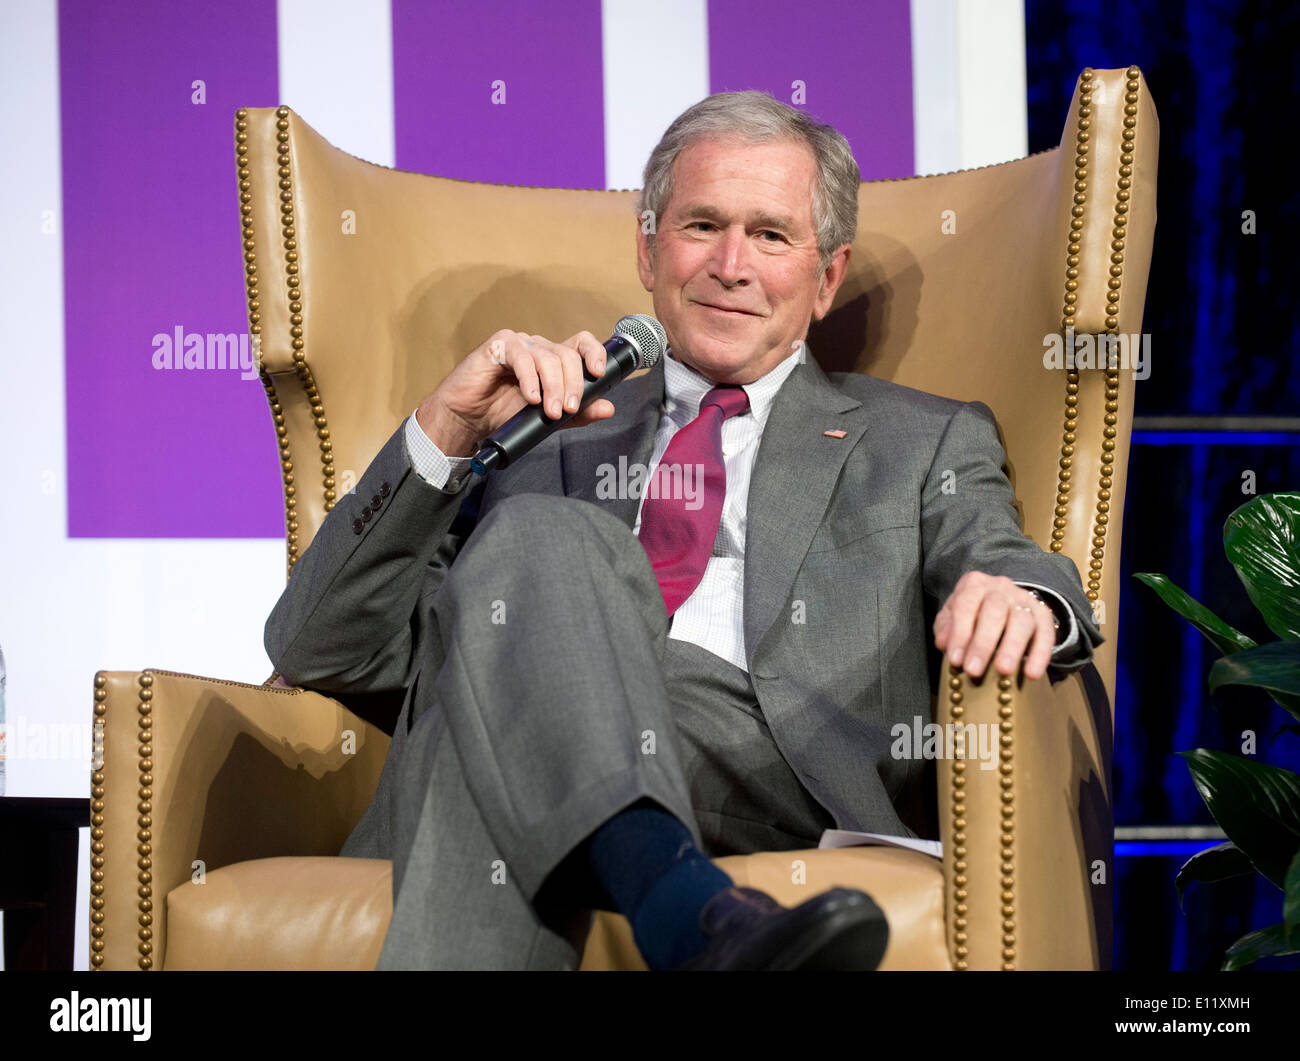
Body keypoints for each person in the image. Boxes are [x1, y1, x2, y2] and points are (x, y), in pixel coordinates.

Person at [264, 90, 1103, 971]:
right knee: (536, 569)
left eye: (772, 235)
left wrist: (1022, 598)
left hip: (775, 769)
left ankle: (674, 896)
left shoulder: (920, 438)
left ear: (825, 277)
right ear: (648, 248)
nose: (730, 265)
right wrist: (448, 427)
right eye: (701, 225)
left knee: (491, 707)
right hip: (543, 738)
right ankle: (692, 911)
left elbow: (1014, 568)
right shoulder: (543, 424)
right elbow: (322, 649)